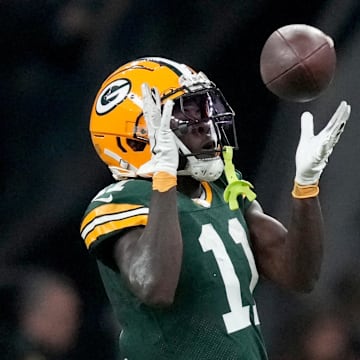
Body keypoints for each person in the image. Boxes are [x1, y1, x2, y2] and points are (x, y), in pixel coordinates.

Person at [80, 56, 351, 359]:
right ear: (135, 138)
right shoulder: (120, 199)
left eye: (204, 110)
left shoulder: (221, 189)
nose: (206, 127)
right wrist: (164, 179)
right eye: (185, 117)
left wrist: (306, 186)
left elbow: (300, 275)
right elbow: (155, 286)